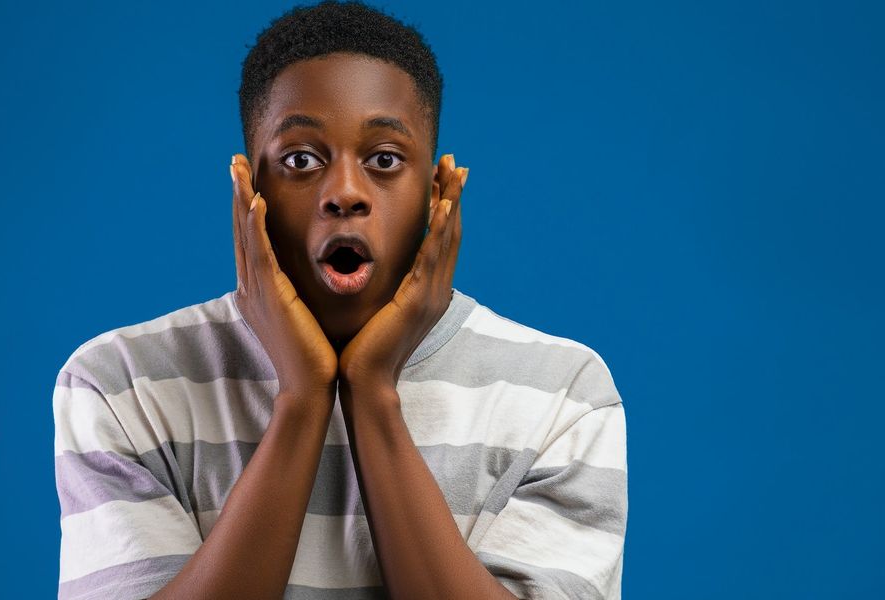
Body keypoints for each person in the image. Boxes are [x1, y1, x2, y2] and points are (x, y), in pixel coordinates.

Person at [53, 1, 628, 598]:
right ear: (251, 188)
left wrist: (372, 394)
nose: (346, 193)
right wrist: (302, 400)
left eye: (384, 160)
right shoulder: (121, 385)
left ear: (436, 194)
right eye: (301, 160)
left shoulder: (564, 392)